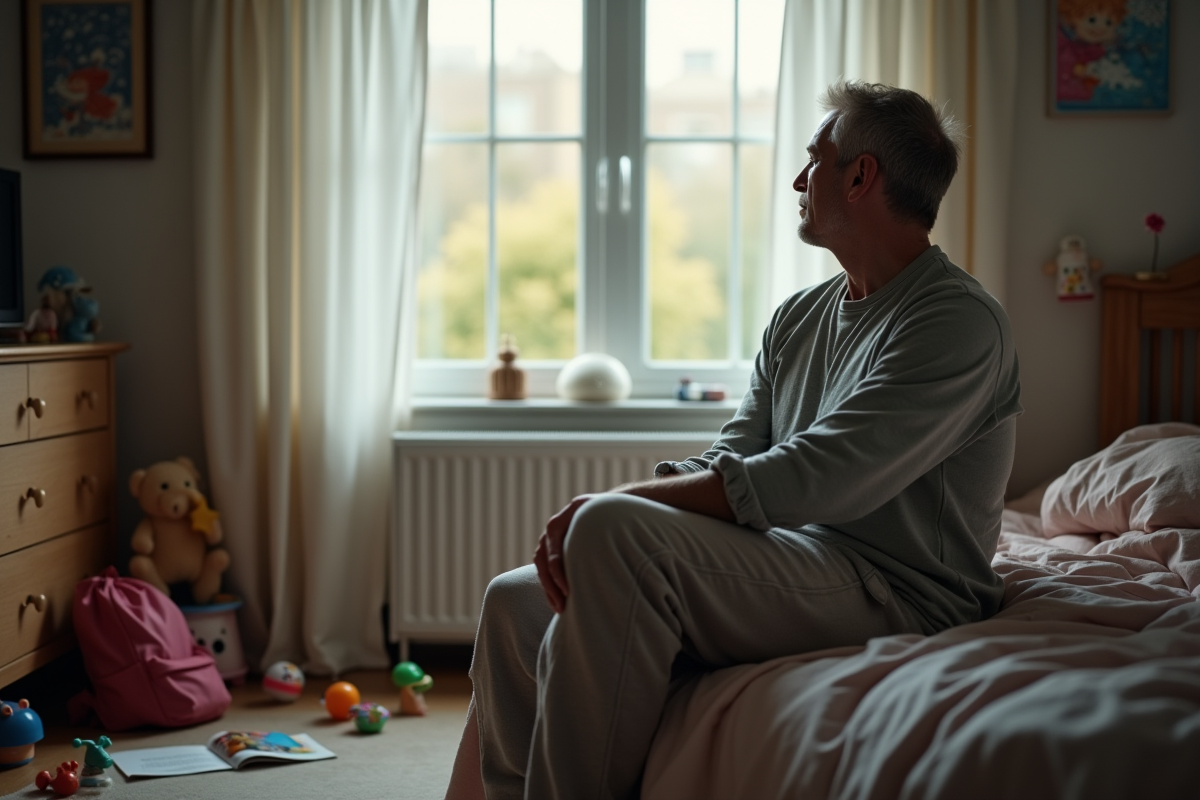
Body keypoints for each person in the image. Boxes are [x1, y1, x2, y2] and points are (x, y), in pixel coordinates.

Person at [445, 80, 1022, 800]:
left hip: (898, 589)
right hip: (796, 555)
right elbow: (738, 454)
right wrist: (644, 501)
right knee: (514, 601)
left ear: (860, 176)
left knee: (614, 531)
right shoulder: (798, 317)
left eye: (814, 160)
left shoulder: (957, 322)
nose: (798, 181)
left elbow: (819, 477)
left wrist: (617, 506)